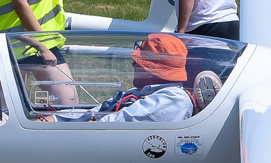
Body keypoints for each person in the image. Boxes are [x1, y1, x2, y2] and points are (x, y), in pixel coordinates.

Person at [44, 34, 199, 123]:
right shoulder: (139, 92)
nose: (133, 63)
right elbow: (97, 112)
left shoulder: (173, 99)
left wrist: (62, 129)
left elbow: (114, 125)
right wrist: (54, 120)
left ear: (152, 71)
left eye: (139, 62)